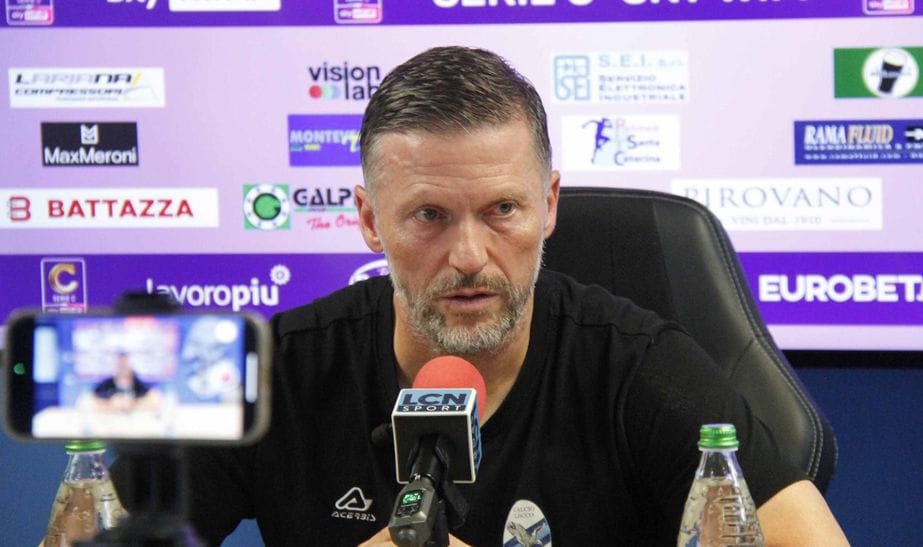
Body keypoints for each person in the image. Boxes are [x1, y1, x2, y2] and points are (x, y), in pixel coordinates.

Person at [124, 46, 848, 545]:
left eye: (503, 209)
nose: (470, 256)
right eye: (429, 215)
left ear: (549, 205)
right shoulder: (274, 370)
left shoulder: (643, 369)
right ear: (370, 220)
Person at [91, 352, 160, 412]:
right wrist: (110, 404)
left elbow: (153, 397)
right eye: (120, 365)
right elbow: (93, 399)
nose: (123, 368)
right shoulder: (107, 384)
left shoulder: (138, 383)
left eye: (125, 364)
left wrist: (134, 403)